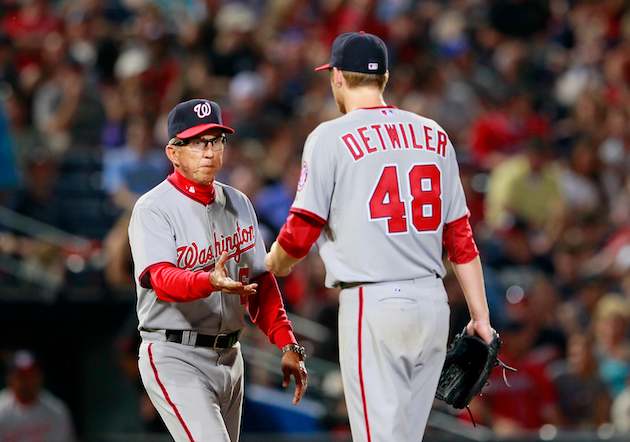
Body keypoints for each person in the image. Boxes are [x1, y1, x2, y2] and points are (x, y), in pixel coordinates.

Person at [265, 32, 494, 442]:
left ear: (336, 77)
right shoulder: (433, 134)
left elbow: (300, 232)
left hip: (374, 306)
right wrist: (480, 317)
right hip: (432, 305)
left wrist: (270, 265)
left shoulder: (330, 137)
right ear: (384, 78)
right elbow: (460, 237)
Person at [128, 98, 308, 442]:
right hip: (175, 353)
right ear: (173, 152)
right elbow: (161, 280)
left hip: (231, 357)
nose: (209, 151)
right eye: (197, 142)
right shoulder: (153, 208)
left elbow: (261, 281)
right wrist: (207, 280)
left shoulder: (239, 202)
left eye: (215, 140)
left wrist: (288, 343)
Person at [0, 350, 76, 442]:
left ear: (40, 377)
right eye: (21, 376)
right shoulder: (2, 409)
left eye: (31, 375)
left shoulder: (56, 410)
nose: (26, 382)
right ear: (10, 379)